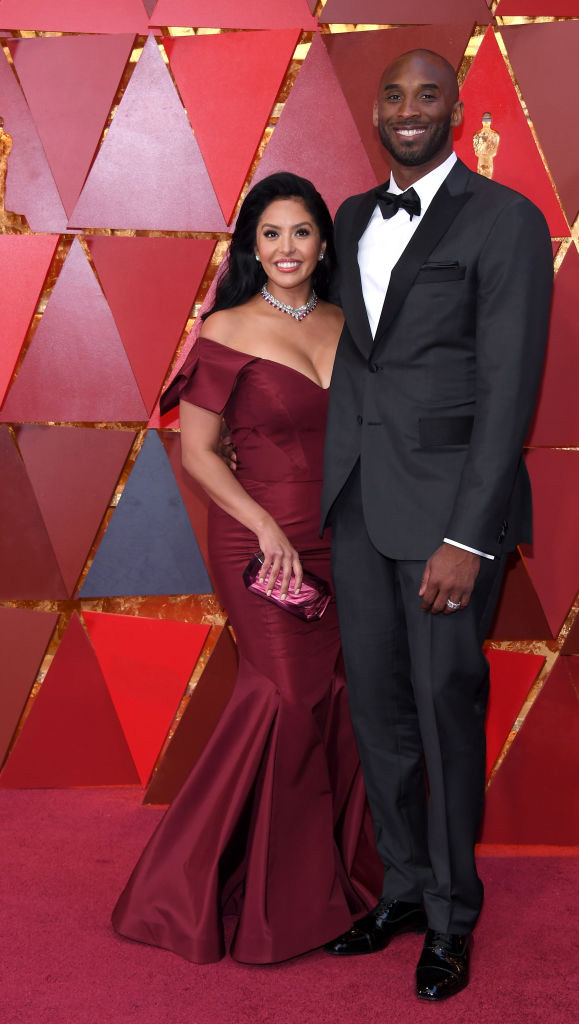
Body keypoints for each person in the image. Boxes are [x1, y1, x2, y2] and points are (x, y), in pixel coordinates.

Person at [321, 50, 553, 1001]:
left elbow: (508, 389)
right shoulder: (349, 216)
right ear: (374, 110)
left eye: (427, 95)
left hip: (447, 521)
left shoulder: (505, 219)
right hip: (357, 507)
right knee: (377, 715)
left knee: (443, 713)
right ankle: (405, 890)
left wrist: (468, 536)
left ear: (457, 109)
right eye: (393, 95)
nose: (408, 109)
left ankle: (453, 918)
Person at [112, 172, 381, 965]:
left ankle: (326, 881)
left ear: (323, 244)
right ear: (250, 247)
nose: (285, 248)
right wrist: (265, 527)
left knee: (339, 699)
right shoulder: (225, 328)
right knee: (287, 695)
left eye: (300, 232)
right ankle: (212, 892)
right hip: (258, 536)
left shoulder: (350, 323)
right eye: (270, 233)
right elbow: (198, 453)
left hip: (345, 539)